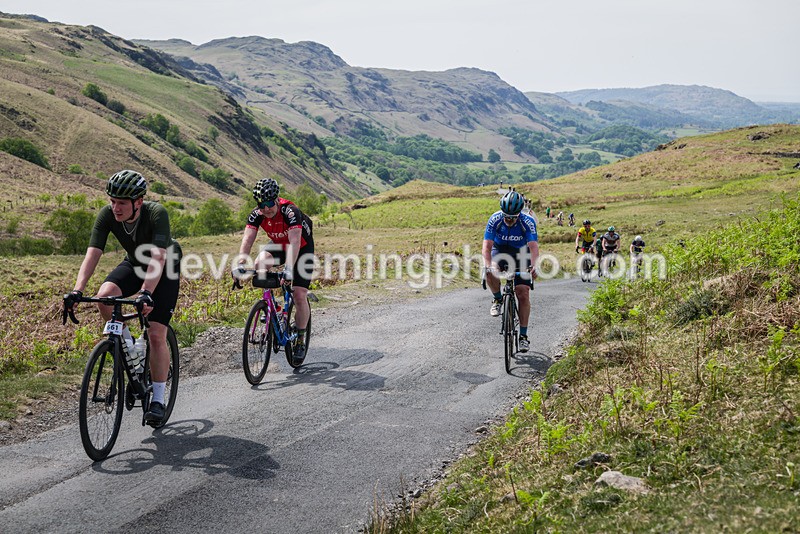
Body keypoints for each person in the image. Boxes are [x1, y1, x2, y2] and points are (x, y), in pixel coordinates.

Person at [63, 170, 181, 427]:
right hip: (134, 262)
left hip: (165, 266)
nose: (115, 207)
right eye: (112, 201)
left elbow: (159, 258)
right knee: (105, 297)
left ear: (138, 202)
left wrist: (146, 292)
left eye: (122, 203)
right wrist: (77, 290)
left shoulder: (156, 213)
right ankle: (131, 349)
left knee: (156, 334)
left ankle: (158, 400)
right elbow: (93, 253)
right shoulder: (107, 215)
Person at [234, 178, 315, 366]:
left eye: (269, 203)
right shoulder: (257, 215)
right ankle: (273, 309)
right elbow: (247, 240)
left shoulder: (290, 212)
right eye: (261, 205)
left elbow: (295, 242)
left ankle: (301, 339)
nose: (266, 209)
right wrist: (239, 264)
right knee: (259, 264)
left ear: (277, 200)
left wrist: (288, 270)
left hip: (301, 248)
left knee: (299, 294)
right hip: (280, 245)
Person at [482, 190, 539, 353]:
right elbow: (487, 246)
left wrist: (534, 265)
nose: (508, 220)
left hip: (521, 253)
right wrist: (488, 264)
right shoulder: (495, 219)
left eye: (513, 217)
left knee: (523, 292)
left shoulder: (527, 222)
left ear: (519, 214)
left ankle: (523, 336)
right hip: (500, 250)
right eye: (506, 216)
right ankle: (498, 299)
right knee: (489, 271)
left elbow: (533, 247)